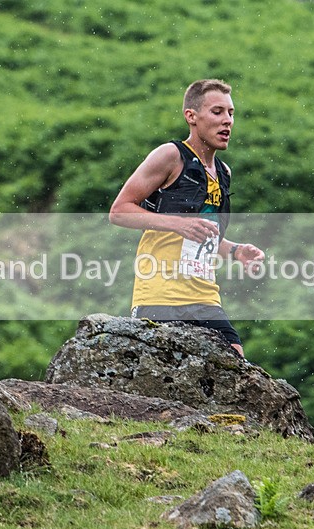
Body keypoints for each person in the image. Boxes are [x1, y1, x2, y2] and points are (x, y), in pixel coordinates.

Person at [109, 79, 265, 357]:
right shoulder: (171, 155)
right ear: (191, 116)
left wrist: (235, 250)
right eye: (217, 112)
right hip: (160, 296)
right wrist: (177, 223)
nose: (227, 121)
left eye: (231, 113)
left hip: (205, 297)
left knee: (237, 366)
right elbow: (119, 210)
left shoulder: (223, 171)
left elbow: (203, 233)